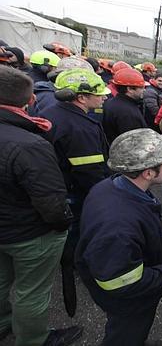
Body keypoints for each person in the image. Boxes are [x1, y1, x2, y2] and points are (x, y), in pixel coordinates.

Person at [75, 128, 162, 346]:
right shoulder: (117, 225)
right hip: (128, 302)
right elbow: (120, 283)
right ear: (148, 173)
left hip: (123, 285)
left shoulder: (113, 186)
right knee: (126, 335)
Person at [0, 65, 82, 346]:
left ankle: (3, 324)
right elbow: (50, 201)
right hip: (28, 234)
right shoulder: (30, 144)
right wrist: (62, 226)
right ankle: (34, 339)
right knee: (31, 292)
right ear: (28, 101)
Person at [39, 68, 111, 317]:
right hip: (73, 193)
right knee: (78, 233)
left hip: (58, 186)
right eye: (98, 93)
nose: (103, 97)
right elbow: (89, 171)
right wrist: (103, 197)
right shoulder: (79, 127)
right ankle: (78, 263)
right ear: (81, 97)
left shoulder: (52, 111)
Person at [102, 68, 147, 143]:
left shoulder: (111, 102)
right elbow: (134, 143)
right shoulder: (128, 113)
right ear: (129, 89)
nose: (144, 90)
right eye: (142, 87)